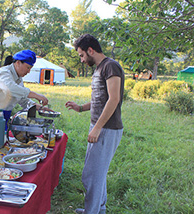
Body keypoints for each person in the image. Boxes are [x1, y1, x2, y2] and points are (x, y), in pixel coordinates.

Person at [65, 34, 124, 214]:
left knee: (91, 176)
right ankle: (98, 209)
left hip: (107, 128)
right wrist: (81, 107)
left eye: (82, 55)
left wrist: (98, 128)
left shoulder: (111, 66)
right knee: (98, 174)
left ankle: (93, 211)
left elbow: (113, 99)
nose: (82, 60)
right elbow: (100, 100)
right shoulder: (99, 69)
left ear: (91, 50)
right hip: (99, 127)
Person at [0, 49, 49, 128]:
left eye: (30, 68)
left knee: (2, 139)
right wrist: (36, 95)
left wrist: (40, 108)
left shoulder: (18, 79)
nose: (29, 71)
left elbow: (22, 99)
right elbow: (10, 89)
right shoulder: (3, 73)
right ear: (18, 63)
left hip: (4, 117)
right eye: (28, 67)